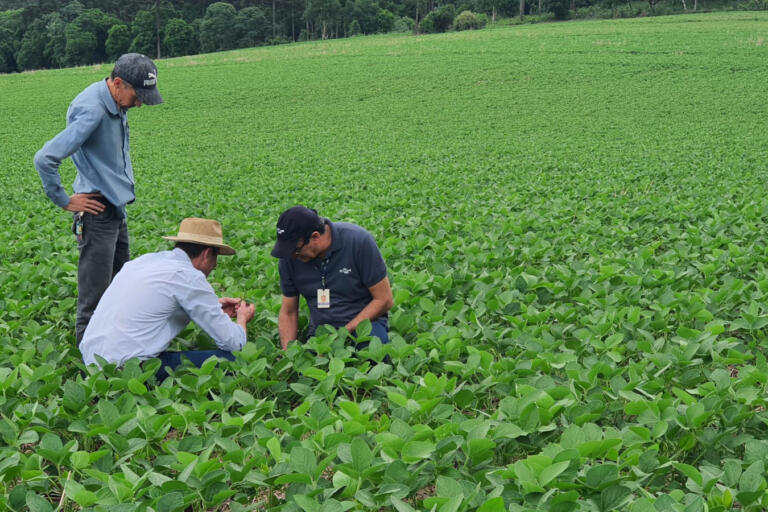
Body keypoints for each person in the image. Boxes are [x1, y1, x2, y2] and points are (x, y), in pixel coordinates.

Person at [34, 53, 163, 343]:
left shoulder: (114, 99)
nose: (140, 103)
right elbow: (45, 158)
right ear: (118, 83)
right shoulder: (92, 110)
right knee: (95, 296)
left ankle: (116, 349)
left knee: (121, 286)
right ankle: (90, 364)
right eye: (137, 95)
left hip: (115, 208)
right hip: (97, 212)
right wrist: (65, 200)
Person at [79, 218, 255, 379]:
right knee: (234, 360)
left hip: (92, 365)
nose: (213, 267)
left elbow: (154, 305)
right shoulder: (189, 276)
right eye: (214, 261)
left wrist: (214, 307)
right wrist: (242, 319)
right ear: (207, 254)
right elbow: (235, 344)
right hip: (127, 371)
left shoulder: (143, 261)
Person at [271, 206, 393, 350]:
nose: (292, 256)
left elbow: (384, 300)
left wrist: (343, 333)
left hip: (366, 323)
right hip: (323, 331)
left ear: (315, 237)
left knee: (374, 354)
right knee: (310, 368)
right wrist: (288, 354)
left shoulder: (358, 241)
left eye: (296, 250)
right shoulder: (290, 256)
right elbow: (288, 312)